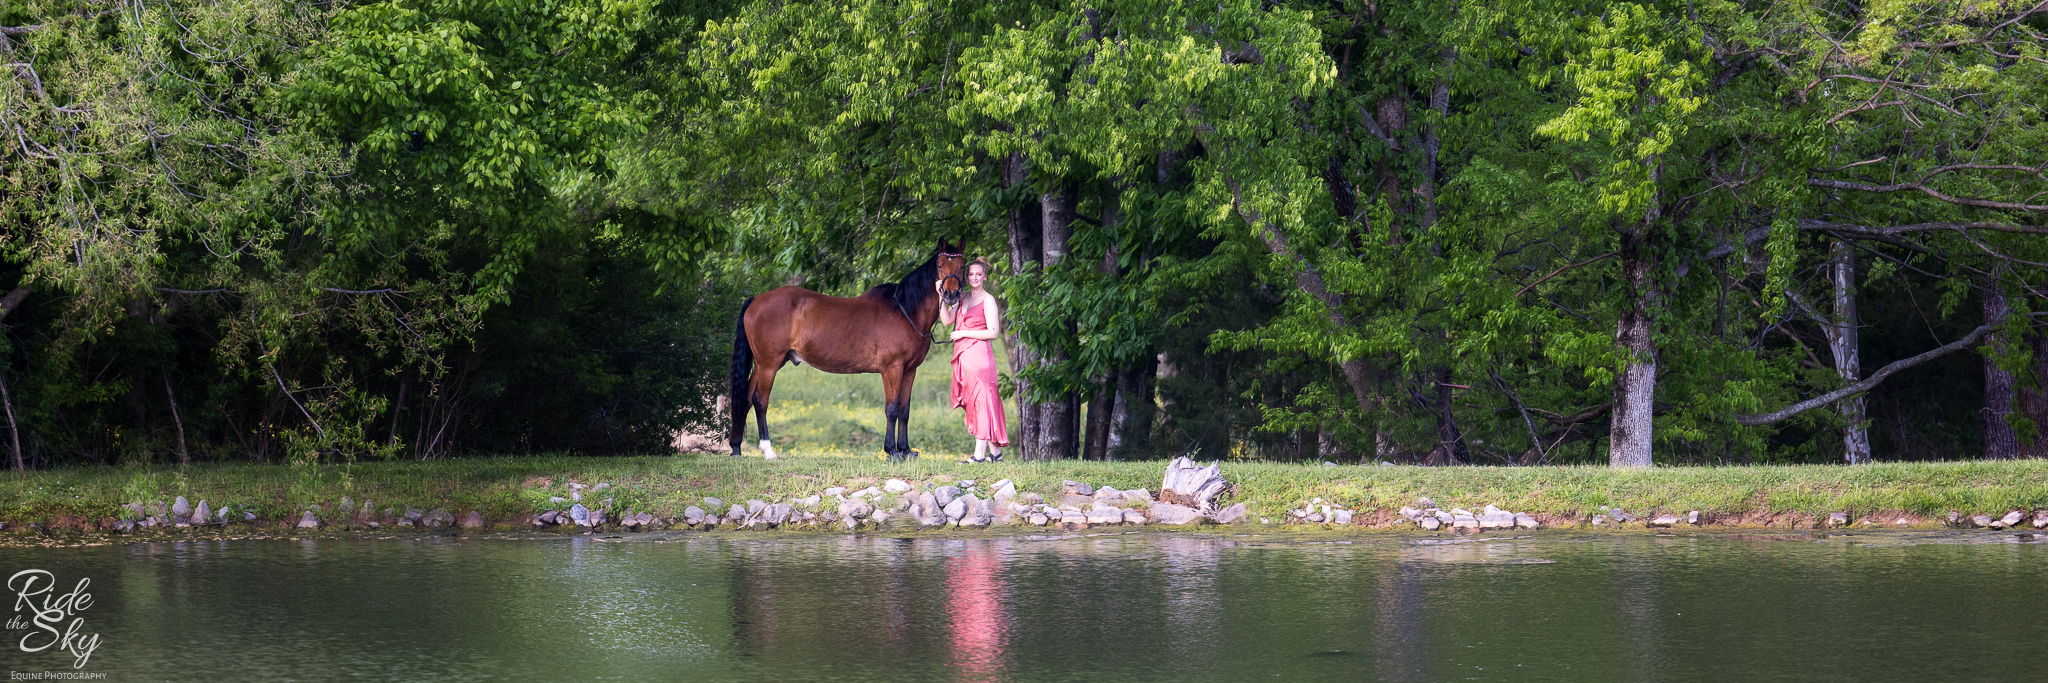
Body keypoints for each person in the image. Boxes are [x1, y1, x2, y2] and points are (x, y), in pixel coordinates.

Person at [938, 258, 1009, 462]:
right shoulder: (963, 296)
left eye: (979, 274)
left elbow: (993, 332)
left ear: (985, 276)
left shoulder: (988, 300)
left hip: (979, 356)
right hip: (963, 357)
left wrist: (963, 333)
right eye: (971, 274)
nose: (974, 278)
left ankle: (979, 456)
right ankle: (995, 454)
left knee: (982, 401)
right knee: (979, 403)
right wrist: (940, 295)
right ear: (966, 277)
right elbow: (946, 320)